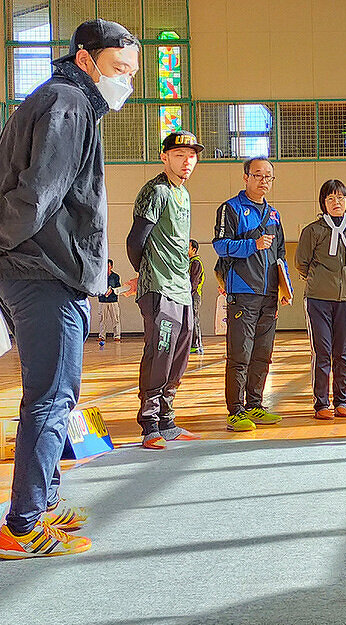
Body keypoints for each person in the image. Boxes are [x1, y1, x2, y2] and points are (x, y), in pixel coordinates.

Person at [0, 18, 139, 559]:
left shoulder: (59, 100)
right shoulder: (69, 104)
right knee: (51, 396)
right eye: (118, 69)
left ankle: (45, 499)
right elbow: (37, 197)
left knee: (53, 393)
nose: (126, 82)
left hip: (42, 269)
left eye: (131, 73)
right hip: (42, 272)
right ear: (85, 59)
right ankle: (24, 523)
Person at [125, 131, 203, 450]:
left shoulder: (183, 194)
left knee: (180, 354)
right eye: (179, 155)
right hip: (159, 287)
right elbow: (135, 241)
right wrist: (143, 274)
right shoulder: (156, 190)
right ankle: (150, 424)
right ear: (164, 157)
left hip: (182, 288)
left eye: (192, 156)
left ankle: (167, 420)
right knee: (160, 352)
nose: (187, 161)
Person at [213, 158, 290, 431]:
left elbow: (280, 255)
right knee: (240, 354)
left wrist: (285, 288)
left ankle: (255, 405)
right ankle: (236, 411)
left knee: (262, 354)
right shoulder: (231, 208)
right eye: (258, 175)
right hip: (242, 294)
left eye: (268, 176)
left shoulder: (274, 215)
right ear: (245, 177)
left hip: (269, 295)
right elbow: (220, 245)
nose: (263, 181)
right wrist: (252, 245)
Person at [295, 180, 346, 420]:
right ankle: (321, 403)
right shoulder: (313, 230)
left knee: (343, 352)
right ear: (323, 203)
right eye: (331, 198)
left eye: (341, 198)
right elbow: (301, 263)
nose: (336, 202)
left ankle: (341, 400)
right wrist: (319, 280)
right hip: (318, 300)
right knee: (322, 352)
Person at [98, 259, 122, 343]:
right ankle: (102, 336)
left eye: (108, 266)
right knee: (102, 319)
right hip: (102, 301)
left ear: (111, 266)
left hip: (113, 301)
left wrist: (112, 290)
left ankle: (117, 335)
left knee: (115, 319)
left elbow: (118, 287)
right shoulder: (101, 276)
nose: (107, 268)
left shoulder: (115, 276)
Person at [188, 240, 204, 354]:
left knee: (194, 319)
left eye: (187, 247)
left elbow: (194, 282)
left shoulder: (196, 263)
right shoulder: (190, 262)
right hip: (190, 294)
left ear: (194, 249)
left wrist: (190, 294)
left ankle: (196, 345)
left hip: (194, 295)